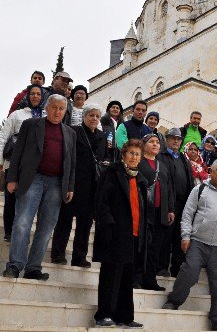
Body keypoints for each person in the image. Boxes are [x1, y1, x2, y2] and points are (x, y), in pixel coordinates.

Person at [162, 159, 217, 332]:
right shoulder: (199, 189)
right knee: (189, 272)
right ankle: (173, 301)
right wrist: (185, 236)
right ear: (210, 171)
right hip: (198, 243)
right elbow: (187, 214)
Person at [3, 95, 76, 280]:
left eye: (61, 109)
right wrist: (12, 178)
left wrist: (69, 186)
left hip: (56, 184)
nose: (57, 112)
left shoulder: (70, 133)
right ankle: (14, 265)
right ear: (46, 107)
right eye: (54, 107)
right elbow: (17, 152)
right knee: (22, 223)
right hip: (32, 179)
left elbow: (72, 162)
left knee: (46, 228)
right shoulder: (30, 124)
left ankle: (33, 268)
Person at [93, 139, 147, 328]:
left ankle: (124, 316)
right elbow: (101, 201)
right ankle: (104, 314)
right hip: (114, 232)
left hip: (133, 235)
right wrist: (106, 225)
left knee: (126, 276)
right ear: (124, 154)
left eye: (137, 154)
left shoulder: (139, 179)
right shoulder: (112, 173)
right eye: (131, 153)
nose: (134, 157)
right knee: (110, 274)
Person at [51, 103, 108, 267]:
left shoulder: (102, 137)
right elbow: (67, 157)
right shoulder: (73, 131)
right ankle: (58, 254)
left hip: (93, 187)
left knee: (85, 224)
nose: (94, 119)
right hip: (74, 184)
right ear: (84, 116)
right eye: (91, 115)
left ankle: (79, 257)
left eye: (97, 116)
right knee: (65, 221)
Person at [0, 84, 44, 241]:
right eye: (32, 93)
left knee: (26, 199)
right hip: (13, 162)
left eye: (39, 94)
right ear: (28, 96)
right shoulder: (17, 115)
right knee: (11, 199)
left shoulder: (45, 116)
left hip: (34, 165)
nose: (35, 96)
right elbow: (4, 137)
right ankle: (8, 232)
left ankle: (21, 231)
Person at [137, 133, 174, 290]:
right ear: (144, 144)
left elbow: (169, 188)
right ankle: (136, 278)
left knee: (155, 248)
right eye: (151, 142)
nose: (155, 144)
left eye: (157, 142)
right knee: (141, 245)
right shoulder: (138, 162)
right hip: (144, 212)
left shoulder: (163, 166)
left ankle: (150, 280)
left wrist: (171, 209)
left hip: (160, 213)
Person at [158, 127, 194, 277]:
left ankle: (177, 268)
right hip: (168, 203)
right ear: (167, 139)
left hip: (183, 204)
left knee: (180, 236)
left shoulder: (184, 159)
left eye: (178, 139)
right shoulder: (162, 156)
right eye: (173, 138)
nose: (176, 141)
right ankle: (161, 267)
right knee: (166, 237)